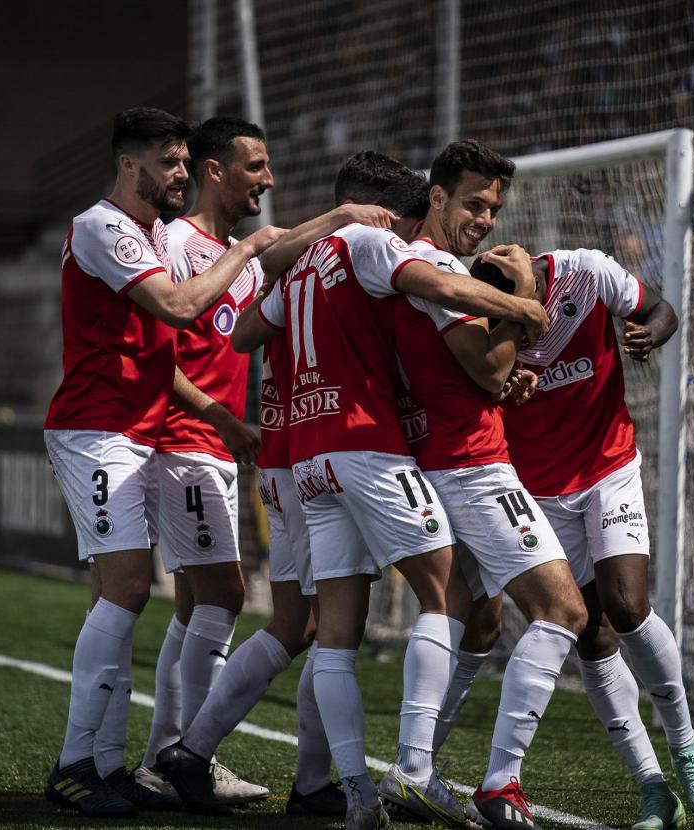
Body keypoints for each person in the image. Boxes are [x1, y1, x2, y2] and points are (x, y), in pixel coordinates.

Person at [204, 155, 548, 830]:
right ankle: (415, 771)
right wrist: (522, 303)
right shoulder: (370, 242)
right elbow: (437, 287)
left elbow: (243, 332)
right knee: (446, 592)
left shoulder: (304, 262)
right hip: (365, 442)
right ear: (390, 210)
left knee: (332, 635)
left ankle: (356, 791)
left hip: (306, 457)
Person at [41, 106, 283, 818]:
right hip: (96, 428)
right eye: (169, 162)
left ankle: (112, 764)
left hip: (138, 430)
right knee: (126, 588)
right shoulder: (103, 226)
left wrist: (213, 414)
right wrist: (248, 250)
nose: (180, 173)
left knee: (128, 592)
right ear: (129, 163)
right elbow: (179, 308)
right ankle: (79, 762)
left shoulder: (147, 232)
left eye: (184, 162)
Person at [153, 151, 404, 818]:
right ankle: (344, 776)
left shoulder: (300, 266)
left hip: (284, 455)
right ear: (375, 210)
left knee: (299, 622)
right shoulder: (361, 260)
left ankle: (201, 753)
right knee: (327, 625)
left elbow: (247, 337)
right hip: (326, 452)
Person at [448, 248, 694, 830]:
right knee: (591, 634)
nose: (498, 326)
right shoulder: (482, 329)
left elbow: (663, 310)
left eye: (505, 313)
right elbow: (480, 389)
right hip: (541, 493)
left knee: (627, 606)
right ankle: (654, 790)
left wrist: (650, 336)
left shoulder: (588, 272)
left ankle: (685, 745)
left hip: (608, 470)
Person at [382, 141, 587, 830]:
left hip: (440, 455)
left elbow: (481, 373)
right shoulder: (438, 267)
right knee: (564, 611)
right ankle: (499, 785)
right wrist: (524, 296)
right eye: (474, 203)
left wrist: (502, 375)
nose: (485, 219)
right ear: (435, 196)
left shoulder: (417, 267)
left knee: (481, 617)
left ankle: (415, 770)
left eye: (494, 208)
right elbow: (488, 369)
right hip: (470, 467)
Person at [130, 115, 280, 809]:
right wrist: (220, 417)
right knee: (224, 594)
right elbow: (159, 361)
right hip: (183, 443)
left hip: (212, 447)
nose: (268, 180)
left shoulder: (234, 257)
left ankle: (167, 755)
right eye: (254, 166)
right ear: (214, 171)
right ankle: (192, 755)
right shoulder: (178, 243)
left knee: (195, 604)